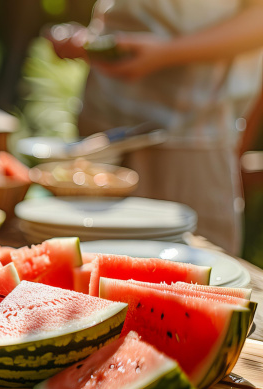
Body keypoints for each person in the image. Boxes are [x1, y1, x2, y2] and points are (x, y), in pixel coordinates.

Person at [45, 0, 263, 255]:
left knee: (203, 264)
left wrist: (168, 52)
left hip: (189, 135)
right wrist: (89, 40)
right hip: (102, 126)